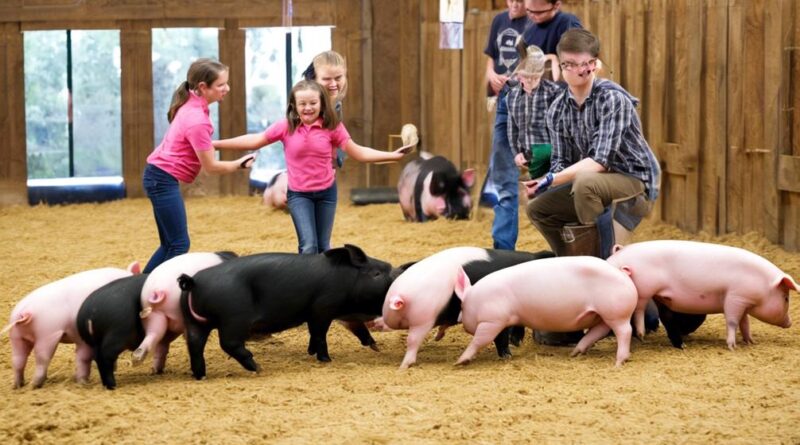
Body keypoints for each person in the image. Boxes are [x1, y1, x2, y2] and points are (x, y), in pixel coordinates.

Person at [214, 80, 411, 254]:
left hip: (326, 194)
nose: (308, 108)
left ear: (322, 104)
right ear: (294, 105)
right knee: (308, 246)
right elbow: (254, 141)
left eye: (313, 103)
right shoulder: (285, 127)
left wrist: (393, 156)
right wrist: (213, 144)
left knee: (324, 247)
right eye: (302, 104)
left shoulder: (332, 127)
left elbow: (358, 152)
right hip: (299, 195)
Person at [524, 28, 661, 256]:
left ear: (594, 64)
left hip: (634, 181)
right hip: (595, 183)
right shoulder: (557, 109)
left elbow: (600, 162)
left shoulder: (612, 99)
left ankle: (602, 260)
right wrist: (542, 183)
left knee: (586, 183)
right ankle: (568, 261)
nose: (579, 69)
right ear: (560, 65)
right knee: (538, 208)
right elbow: (561, 162)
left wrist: (552, 178)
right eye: (570, 63)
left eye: (585, 62)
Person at [142, 58, 256, 273]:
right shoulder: (197, 119)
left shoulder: (192, 103)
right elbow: (211, 167)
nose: (227, 88)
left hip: (157, 176)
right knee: (179, 244)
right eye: (221, 85)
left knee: (170, 244)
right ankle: (144, 289)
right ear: (203, 87)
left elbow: (193, 144)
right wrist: (238, 164)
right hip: (161, 179)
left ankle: (139, 286)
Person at [481, 0, 531, 251]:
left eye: (520, 1)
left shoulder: (535, 22)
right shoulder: (499, 20)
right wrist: (491, 75)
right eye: (510, 0)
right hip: (503, 100)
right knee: (502, 175)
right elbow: (491, 57)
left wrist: (517, 78)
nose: (514, 4)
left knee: (541, 172)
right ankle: (502, 248)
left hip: (531, 103)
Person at [506, 45, 562, 183]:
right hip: (528, 159)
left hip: (552, 156)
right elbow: (512, 129)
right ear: (518, 75)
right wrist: (517, 153)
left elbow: (561, 130)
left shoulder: (553, 93)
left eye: (535, 77)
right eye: (526, 77)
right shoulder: (512, 97)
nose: (531, 81)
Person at [302, 50, 348, 168]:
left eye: (338, 78)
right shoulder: (306, 107)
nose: (333, 84)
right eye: (327, 79)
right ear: (314, 80)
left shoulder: (336, 104)